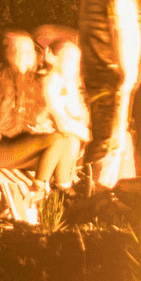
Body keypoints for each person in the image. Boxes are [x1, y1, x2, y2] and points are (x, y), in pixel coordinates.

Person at [78, 0, 141, 188]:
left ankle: (99, 198)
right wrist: (126, 78)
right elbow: (118, 31)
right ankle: (95, 202)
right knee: (108, 144)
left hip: (98, 76)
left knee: (111, 141)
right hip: (113, 79)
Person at [0, 28, 52, 176]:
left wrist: (42, 125)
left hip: (19, 144)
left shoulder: (32, 80)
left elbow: (39, 112)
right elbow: (1, 124)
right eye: (23, 51)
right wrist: (30, 130)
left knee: (67, 141)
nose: (30, 55)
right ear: (9, 54)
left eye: (31, 50)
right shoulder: (4, 78)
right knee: (57, 140)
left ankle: (67, 188)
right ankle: (47, 189)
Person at [36, 32, 90, 190]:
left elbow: (79, 115)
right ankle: (64, 188)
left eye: (77, 61)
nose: (74, 65)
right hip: (46, 140)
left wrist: (72, 84)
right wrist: (92, 137)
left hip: (68, 142)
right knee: (70, 139)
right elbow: (63, 124)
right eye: (69, 59)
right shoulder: (49, 82)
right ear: (53, 58)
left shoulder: (67, 85)